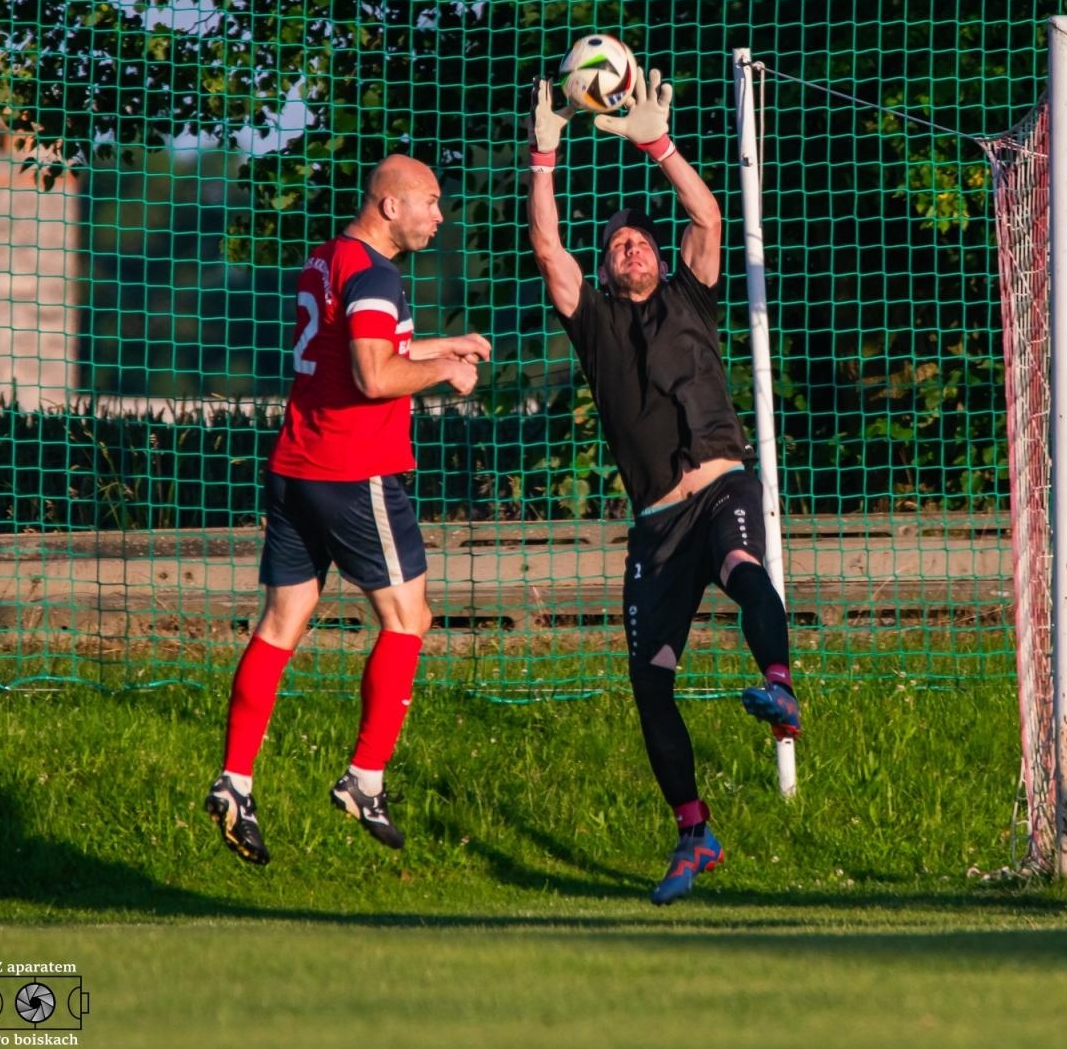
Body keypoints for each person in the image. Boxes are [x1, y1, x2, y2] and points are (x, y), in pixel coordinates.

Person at [527, 65, 801, 904]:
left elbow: (708, 215)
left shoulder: (693, 293)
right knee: (651, 681)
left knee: (747, 572)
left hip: (722, 487)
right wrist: (545, 155)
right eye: (616, 246)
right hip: (655, 525)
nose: (629, 249)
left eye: (639, 240)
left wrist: (658, 145)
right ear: (607, 269)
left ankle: (780, 687)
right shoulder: (595, 321)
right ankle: (694, 831)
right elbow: (547, 248)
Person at [205, 155, 490, 865]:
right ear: (390, 206)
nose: (438, 215)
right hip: (355, 469)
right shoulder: (379, 275)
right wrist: (445, 371)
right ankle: (366, 776)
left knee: (280, 624)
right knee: (409, 618)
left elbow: (361, 349)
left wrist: (441, 343)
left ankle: (235, 779)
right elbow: (373, 375)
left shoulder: (331, 258)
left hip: (298, 465)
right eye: (428, 202)